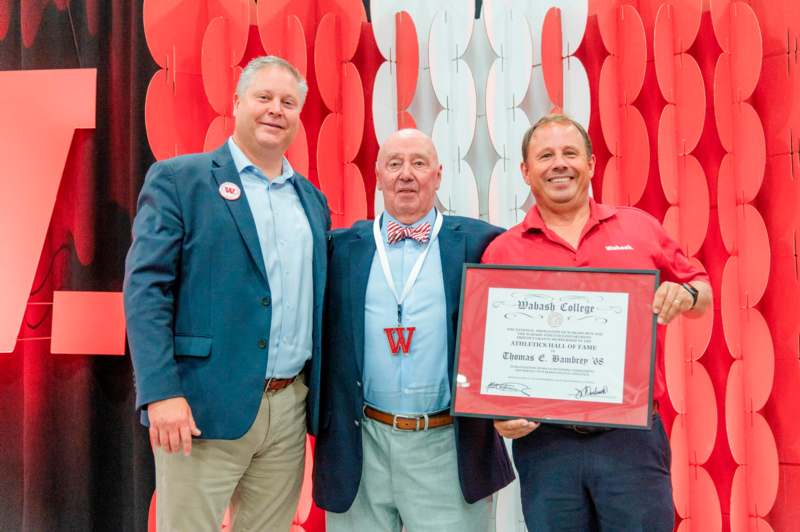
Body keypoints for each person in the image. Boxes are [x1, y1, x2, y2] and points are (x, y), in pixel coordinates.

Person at [124, 55, 330, 531]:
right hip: (199, 408)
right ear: (237, 103)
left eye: (288, 102)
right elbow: (146, 289)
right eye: (264, 97)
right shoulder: (181, 180)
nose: (276, 109)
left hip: (288, 409)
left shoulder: (312, 201)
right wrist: (160, 392)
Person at [482, 114, 712, 531]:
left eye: (570, 153)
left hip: (632, 441)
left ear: (590, 164)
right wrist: (499, 411)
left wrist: (687, 294)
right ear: (525, 171)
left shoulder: (640, 229)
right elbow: (490, 349)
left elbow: (701, 289)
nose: (559, 164)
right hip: (546, 444)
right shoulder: (502, 251)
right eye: (545, 155)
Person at [312, 129, 514, 531]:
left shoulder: (482, 242)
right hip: (361, 446)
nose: (406, 174)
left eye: (419, 163)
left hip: (445, 446)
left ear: (438, 175)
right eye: (395, 163)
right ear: (377, 176)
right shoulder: (339, 248)